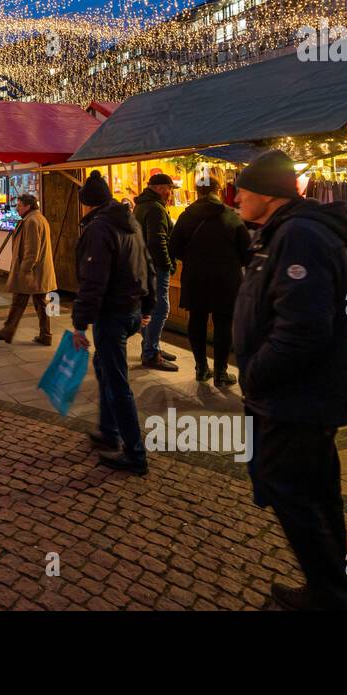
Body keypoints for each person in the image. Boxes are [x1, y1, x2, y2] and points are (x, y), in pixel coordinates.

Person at [232, 149, 347, 611]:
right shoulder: (281, 233)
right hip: (297, 393)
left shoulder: (299, 237)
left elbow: (304, 328)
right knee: (314, 490)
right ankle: (329, 589)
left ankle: (332, 597)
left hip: (299, 394)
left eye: (243, 191)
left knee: (288, 487)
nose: (237, 198)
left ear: (267, 196)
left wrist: (255, 373)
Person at [73, 171, 155, 475]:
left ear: (87, 205)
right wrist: (147, 306)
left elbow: (92, 282)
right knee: (105, 369)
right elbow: (148, 265)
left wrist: (80, 324)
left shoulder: (99, 230)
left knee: (117, 383)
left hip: (113, 314)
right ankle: (108, 431)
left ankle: (134, 453)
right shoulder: (129, 223)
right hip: (132, 309)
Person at [170, 169, 251, 388]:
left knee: (196, 320)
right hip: (226, 279)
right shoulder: (231, 216)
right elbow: (246, 251)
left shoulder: (186, 216)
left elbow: (174, 247)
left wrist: (192, 258)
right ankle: (221, 372)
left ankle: (201, 368)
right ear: (218, 189)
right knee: (223, 323)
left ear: (197, 190)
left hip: (195, 277)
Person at [0, 192, 56, 345]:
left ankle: (9, 331)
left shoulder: (32, 221)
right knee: (38, 304)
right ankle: (43, 335)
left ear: (27, 206)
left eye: (19, 205)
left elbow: (32, 250)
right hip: (37, 272)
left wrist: (25, 270)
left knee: (22, 302)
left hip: (32, 272)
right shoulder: (35, 218)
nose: (17, 208)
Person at [134, 172, 179, 371]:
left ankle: (151, 346)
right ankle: (151, 353)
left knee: (149, 307)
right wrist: (167, 264)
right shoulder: (155, 209)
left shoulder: (142, 205)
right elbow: (157, 240)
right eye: (169, 189)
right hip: (155, 266)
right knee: (160, 308)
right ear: (161, 188)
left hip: (143, 265)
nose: (170, 194)